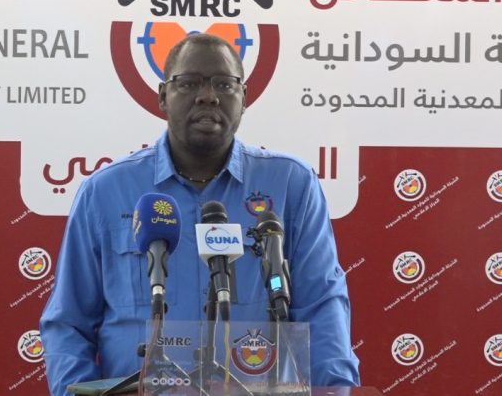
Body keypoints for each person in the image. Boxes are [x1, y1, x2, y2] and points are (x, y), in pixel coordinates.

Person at [40, 33, 360, 396]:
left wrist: (335, 391)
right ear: (163, 96)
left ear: (244, 98)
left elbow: (322, 306)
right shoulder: (105, 192)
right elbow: (68, 323)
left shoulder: (290, 184)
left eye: (224, 84)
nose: (208, 96)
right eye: (189, 82)